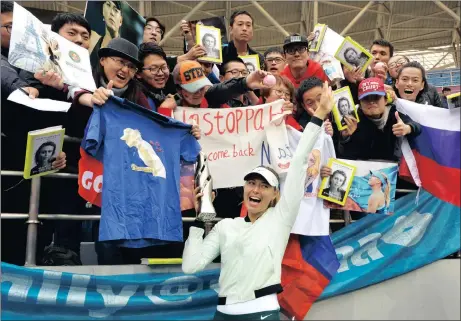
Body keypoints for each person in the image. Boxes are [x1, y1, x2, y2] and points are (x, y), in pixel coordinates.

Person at [182, 81, 333, 320]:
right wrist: (202, 219)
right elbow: (191, 266)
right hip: (221, 314)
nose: (256, 190)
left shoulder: (281, 219)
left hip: (261, 313)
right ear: (244, 188)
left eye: (264, 186)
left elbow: (299, 162)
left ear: (275, 194)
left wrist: (320, 115)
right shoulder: (225, 226)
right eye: (252, 183)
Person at [338, 77, 421, 162]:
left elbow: (417, 126)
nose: (371, 102)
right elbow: (345, 154)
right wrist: (346, 138)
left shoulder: (395, 113)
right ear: (360, 103)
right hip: (362, 167)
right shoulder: (352, 119)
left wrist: (408, 128)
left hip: (391, 168)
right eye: (366, 99)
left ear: (385, 100)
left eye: (376, 97)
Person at [89, 1, 123, 66]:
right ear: (103, 10)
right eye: (108, 5)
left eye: (116, 10)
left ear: (121, 21)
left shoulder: (124, 51)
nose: (112, 13)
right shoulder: (92, 39)